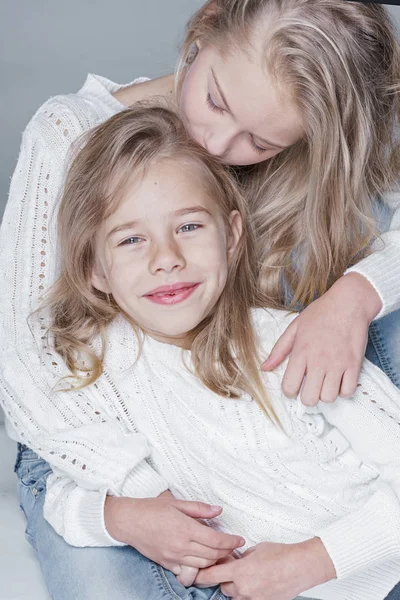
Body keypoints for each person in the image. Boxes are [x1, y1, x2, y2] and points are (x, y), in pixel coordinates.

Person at [1, 0, 400, 594]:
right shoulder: (68, 131)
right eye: (216, 101)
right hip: (93, 423)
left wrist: (357, 294)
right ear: (203, 29)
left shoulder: (301, 132)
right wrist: (136, 501)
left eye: (259, 142)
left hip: (259, 377)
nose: (213, 143)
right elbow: (24, 350)